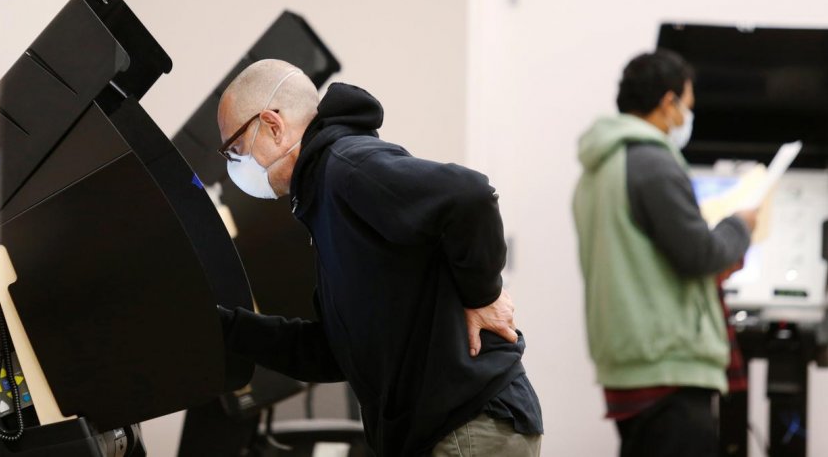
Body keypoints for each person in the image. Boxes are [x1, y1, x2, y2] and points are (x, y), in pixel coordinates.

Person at [215, 59, 543, 456]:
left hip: (465, 423)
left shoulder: (346, 166)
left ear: (272, 124)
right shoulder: (323, 197)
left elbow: (469, 197)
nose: (235, 163)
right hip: (445, 428)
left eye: (235, 148)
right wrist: (223, 326)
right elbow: (332, 353)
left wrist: (483, 294)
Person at [572, 49, 757, 457]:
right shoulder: (653, 163)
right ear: (668, 103)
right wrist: (740, 225)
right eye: (688, 106)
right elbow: (698, 254)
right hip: (667, 364)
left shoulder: (597, 169)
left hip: (627, 361)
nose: (687, 118)